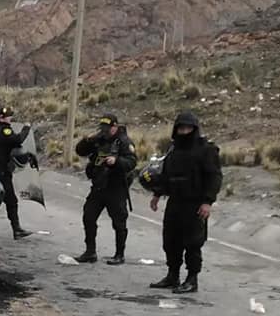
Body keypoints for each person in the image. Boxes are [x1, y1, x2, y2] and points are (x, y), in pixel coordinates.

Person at [149, 111, 222, 294]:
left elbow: (214, 176)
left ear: (194, 129)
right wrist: (157, 194)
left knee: (192, 243)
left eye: (188, 128)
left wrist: (207, 202)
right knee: (171, 241)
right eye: (181, 128)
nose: (184, 131)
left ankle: (192, 279)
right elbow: (166, 174)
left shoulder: (206, 149)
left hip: (194, 203)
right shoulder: (174, 149)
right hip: (175, 201)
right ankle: (173, 275)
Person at [74, 114, 137, 265]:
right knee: (88, 216)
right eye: (103, 128)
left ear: (115, 127)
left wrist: (116, 161)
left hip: (116, 187)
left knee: (119, 221)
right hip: (98, 185)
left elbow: (132, 162)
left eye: (108, 128)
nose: (105, 131)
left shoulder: (123, 142)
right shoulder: (98, 139)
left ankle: (119, 254)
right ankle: (90, 252)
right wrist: (87, 139)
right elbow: (80, 151)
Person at [0, 106, 32, 239]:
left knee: (10, 201)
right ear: (1, 118)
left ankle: (17, 229)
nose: (10, 118)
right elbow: (17, 140)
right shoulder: (3, 130)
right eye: (8, 116)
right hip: (1, 172)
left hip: (2, 171)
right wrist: (26, 128)